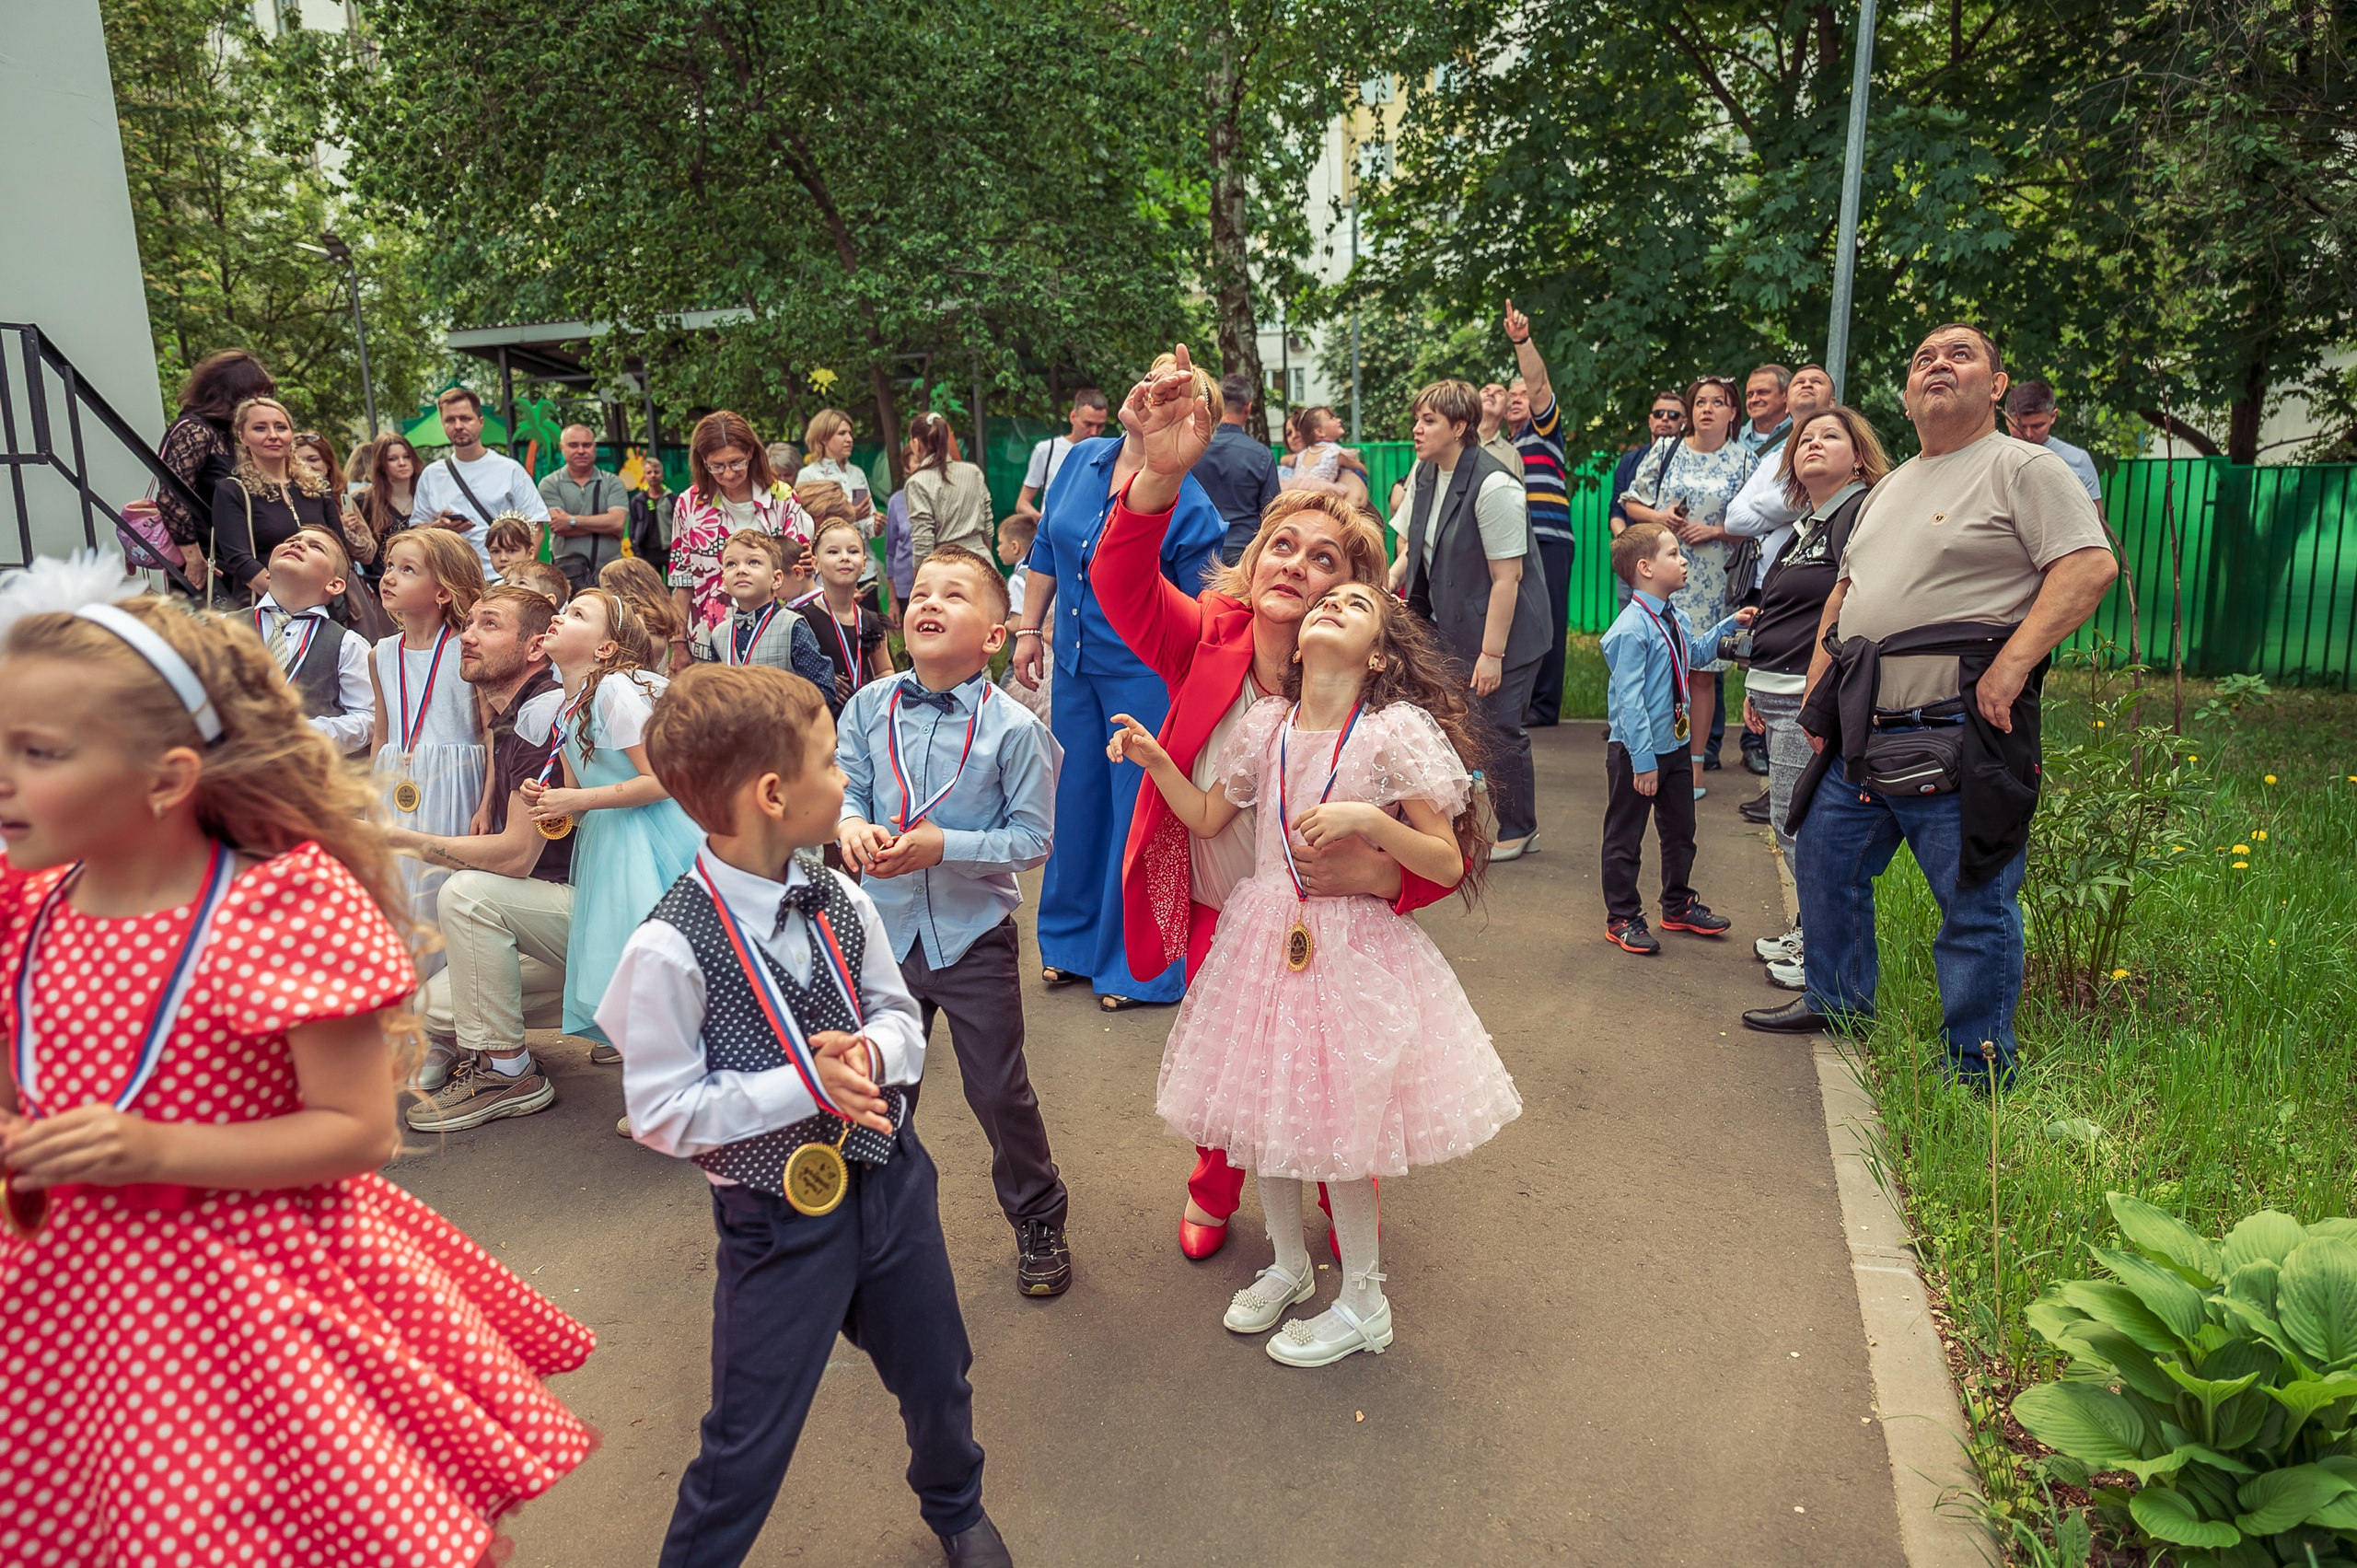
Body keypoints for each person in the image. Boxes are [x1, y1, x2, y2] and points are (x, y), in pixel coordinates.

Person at [0, 565, 593, 1563]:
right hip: (73, 1292)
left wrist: (153, 1146)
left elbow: (357, 1128)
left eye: (39, 751)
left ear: (166, 775)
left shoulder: (273, 905)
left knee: (245, 1525)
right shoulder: (29, 904)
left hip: (249, 1288)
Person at [599, 663, 1015, 1568]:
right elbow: (664, 1113)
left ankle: (955, 1503)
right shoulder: (669, 945)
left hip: (890, 1181)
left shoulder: (838, 893)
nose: (845, 783)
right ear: (774, 793)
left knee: (938, 1370)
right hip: (775, 1223)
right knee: (745, 1436)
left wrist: (870, 1056)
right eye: (832, 764)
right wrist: (805, 1087)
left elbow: (898, 1015)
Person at [1094, 351, 1465, 1261]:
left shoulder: (1376, 701)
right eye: (1283, 545)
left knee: (1335, 1068)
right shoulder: (1206, 640)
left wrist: (1381, 867)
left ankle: (1347, 1201)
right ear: (1255, 562)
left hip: (1336, 918)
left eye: (1325, 556)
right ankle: (1212, 1184)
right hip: (1229, 903)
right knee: (1229, 1058)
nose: (1296, 562)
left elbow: (1439, 842)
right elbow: (1121, 586)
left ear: (1358, 595)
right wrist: (1161, 473)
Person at [1109, 580, 1520, 1367]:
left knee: (1341, 1123)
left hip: (1350, 948)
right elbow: (1205, 816)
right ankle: (1288, 1264)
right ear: (1297, 645)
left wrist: (1370, 822)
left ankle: (1365, 1297)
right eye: (1323, 604)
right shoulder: (1266, 728)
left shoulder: (1390, 732)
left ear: (1376, 654)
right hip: (1264, 934)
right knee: (1269, 1105)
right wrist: (1159, 760)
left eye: (1356, 604)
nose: (1330, 605)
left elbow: (1445, 856)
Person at [1747, 325, 2119, 1086]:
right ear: (1908, 397)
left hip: (1961, 730)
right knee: (1823, 859)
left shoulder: (2023, 467)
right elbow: (1844, 597)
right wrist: (1820, 704)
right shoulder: (1890, 488)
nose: (1937, 365)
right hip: (1863, 726)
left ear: (1996, 384)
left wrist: (2013, 665)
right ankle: (1838, 1000)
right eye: (1922, 359)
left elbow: (2088, 566)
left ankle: (1978, 1066)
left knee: (1975, 901)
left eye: (1959, 355)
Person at [838, 547, 1074, 1297]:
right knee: (875, 1084)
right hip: (882, 937)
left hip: (972, 938)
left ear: (995, 636)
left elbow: (1034, 840)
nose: (927, 603)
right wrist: (849, 828)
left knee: (999, 1091)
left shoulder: (1014, 730)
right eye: (919, 593)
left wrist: (947, 846)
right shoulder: (867, 705)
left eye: (953, 595)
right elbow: (848, 792)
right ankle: (867, 1228)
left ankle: (1039, 1212)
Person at [1010, 353, 1226, 1011]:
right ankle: (1071, 947)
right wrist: (1027, 628)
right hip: (1074, 664)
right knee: (1075, 803)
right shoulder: (1081, 459)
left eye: (1171, 384)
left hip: (1143, 675)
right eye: (1150, 372)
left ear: (1189, 414)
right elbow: (1046, 543)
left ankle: (1139, 967)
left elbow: (1201, 606)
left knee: (1141, 813)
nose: (1149, 386)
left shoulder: (1190, 501)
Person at [391, 586, 575, 1121]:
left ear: (536, 647)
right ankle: (610, 1022)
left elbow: (516, 857)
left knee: (468, 893)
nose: (467, 636)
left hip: (607, 924)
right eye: (468, 624)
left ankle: (507, 1073)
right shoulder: (512, 715)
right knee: (432, 1007)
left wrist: (396, 839)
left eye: (489, 625)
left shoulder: (544, 715)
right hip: (567, 923)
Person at [1740, 405, 1893, 987]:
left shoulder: (1858, 513)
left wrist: (1813, 696)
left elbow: (1853, 608)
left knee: (1805, 827)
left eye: (1831, 436)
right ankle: (1809, 930)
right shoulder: (1811, 524)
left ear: (1858, 456)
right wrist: (1758, 678)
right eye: (1804, 438)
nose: (1813, 444)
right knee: (1788, 821)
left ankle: (1819, 946)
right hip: (1777, 694)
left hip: (1813, 701)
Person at [518, 589, 704, 1048]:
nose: (560, 616)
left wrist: (574, 802)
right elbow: (580, 799)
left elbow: (661, 781)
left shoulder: (614, 690)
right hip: (608, 845)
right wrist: (552, 803)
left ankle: (676, 1098)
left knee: (659, 970)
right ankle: (659, 1089)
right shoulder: (565, 708)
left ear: (604, 649)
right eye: (563, 610)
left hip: (652, 842)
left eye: (577, 614)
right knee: (631, 971)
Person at [1387, 378, 1553, 861]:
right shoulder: (1426, 471)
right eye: (1417, 419)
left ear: (1460, 427)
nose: (1417, 430)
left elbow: (1508, 578)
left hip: (1507, 634)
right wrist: (1389, 583)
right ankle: (1462, 826)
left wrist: (1491, 656)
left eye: (1429, 420)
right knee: (1461, 728)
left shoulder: (1495, 484)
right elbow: (1409, 547)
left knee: (1500, 730)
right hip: (1456, 625)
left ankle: (1520, 828)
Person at [1599, 523, 1758, 954]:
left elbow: (1696, 655)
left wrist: (1729, 623)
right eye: (1674, 553)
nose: (1684, 559)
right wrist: (1644, 761)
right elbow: (1628, 702)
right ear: (1646, 568)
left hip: (1673, 749)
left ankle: (1677, 903)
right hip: (1638, 751)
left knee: (1681, 831)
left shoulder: (1675, 618)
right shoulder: (1631, 629)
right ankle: (1622, 916)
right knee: (1625, 836)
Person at [1618, 375, 1753, 795]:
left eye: (1718, 402)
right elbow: (1630, 501)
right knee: (1656, 668)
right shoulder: (1666, 449)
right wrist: (1660, 518)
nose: (1707, 409)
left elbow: (1758, 525)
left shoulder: (1746, 460)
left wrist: (1713, 531)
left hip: (1713, 577)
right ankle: (1650, 752)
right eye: (1700, 402)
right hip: (1661, 574)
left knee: (1701, 672)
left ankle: (1693, 766)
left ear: (1733, 414)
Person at [368, 528, 487, 954]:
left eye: (407, 569)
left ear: (441, 591)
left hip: (454, 782)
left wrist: (487, 799)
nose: (390, 577)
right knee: (395, 889)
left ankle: (439, 999)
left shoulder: (467, 649)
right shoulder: (380, 652)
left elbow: (488, 729)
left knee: (439, 891)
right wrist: (370, 799)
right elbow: (382, 732)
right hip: (395, 779)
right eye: (388, 567)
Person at [1724, 364, 1838, 783]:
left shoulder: (1838, 446)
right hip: (1767, 585)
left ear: (1833, 400)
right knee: (1761, 677)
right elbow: (1735, 518)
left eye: (1818, 380)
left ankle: (1795, 786)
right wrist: (1788, 504)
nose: (1806, 384)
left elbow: (1815, 492)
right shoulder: (1775, 455)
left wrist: (1771, 508)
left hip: (1817, 592)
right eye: (1800, 381)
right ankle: (1772, 776)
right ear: (1788, 403)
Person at [667, 411, 813, 654]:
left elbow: (799, 571)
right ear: (702, 460)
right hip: (709, 641)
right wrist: (679, 644)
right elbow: (683, 581)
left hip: (776, 639)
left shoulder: (781, 497)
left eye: (736, 462)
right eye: (716, 466)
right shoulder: (688, 504)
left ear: (751, 453)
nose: (728, 474)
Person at [1503, 302, 1577, 727]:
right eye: (1509, 396)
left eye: (1522, 396)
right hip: (1511, 542)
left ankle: (1544, 708)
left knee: (1548, 621)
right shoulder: (1498, 445)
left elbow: (1538, 383)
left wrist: (1522, 342)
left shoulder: (1543, 430)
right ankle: (1519, 701)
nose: (1518, 400)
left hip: (1548, 537)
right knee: (1515, 623)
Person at [155, 348, 276, 590]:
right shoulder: (195, 430)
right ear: (233, 392)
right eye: (255, 393)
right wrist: (193, 558)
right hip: (204, 561)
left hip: (225, 558)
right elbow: (170, 497)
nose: (259, 401)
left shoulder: (223, 433)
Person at [249, 526, 372, 754]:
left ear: (334, 584)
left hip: (306, 779)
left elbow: (368, 717)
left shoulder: (347, 645)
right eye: (291, 540)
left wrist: (305, 734)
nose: (297, 544)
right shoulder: (222, 626)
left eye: (316, 547)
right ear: (268, 571)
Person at [410, 387, 550, 578]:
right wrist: (439, 526)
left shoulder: (510, 469)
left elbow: (536, 526)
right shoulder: (431, 475)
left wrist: (519, 577)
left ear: (480, 422)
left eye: (465, 418)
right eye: (450, 420)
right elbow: (418, 529)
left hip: (503, 580)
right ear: (443, 425)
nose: (458, 425)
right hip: (452, 580)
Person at [210, 395, 340, 601]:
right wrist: (293, 600)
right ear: (242, 437)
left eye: (280, 427)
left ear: (291, 434)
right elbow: (241, 561)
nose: (272, 435)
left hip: (324, 607)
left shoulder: (318, 486)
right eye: (260, 428)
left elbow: (338, 548)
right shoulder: (232, 490)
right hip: (266, 608)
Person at [691, 529, 836, 693]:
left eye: (753, 562)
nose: (741, 570)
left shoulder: (793, 627)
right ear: (724, 582)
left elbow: (822, 689)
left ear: (776, 579)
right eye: (731, 564)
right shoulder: (718, 635)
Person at [795, 516, 893, 707]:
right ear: (815, 564)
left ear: (864, 563)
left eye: (853, 551)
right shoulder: (802, 620)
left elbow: (884, 671)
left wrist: (877, 692)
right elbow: (793, 672)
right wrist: (822, 677)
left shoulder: (872, 621)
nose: (845, 557)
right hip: (822, 719)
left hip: (864, 717)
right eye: (833, 552)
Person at [1199, 373, 1283, 565]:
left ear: (1214, 406)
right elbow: (1272, 513)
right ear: (1248, 408)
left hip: (1196, 547)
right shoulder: (1261, 454)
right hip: (1242, 552)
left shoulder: (1193, 449)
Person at [540, 424, 631, 592]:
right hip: (567, 577)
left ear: (594, 447)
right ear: (562, 448)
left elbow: (617, 523)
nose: (581, 450)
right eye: (573, 445)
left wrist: (572, 520)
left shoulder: (613, 482)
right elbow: (558, 526)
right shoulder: (549, 484)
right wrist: (604, 526)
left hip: (611, 575)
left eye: (587, 445)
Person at [905, 412, 993, 562]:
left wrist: (919, 579)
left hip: (946, 565)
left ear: (916, 443)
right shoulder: (973, 471)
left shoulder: (917, 482)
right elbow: (988, 527)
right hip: (982, 561)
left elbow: (923, 544)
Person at [1015, 390, 1111, 527]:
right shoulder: (1046, 449)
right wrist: (1041, 520)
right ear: (1073, 417)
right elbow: (1023, 503)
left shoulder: (1108, 453)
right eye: (1088, 424)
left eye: (1100, 426)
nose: (1094, 432)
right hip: (1052, 536)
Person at [2005, 381, 2104, 502]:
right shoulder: (1992, 457)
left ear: (2053, 416)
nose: (2029, 434)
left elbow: (2096, 518)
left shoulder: (2078, 460)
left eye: (2038, 426)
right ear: (2007, 420)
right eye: (2019, 426)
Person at [1609, 392, 1688, 538]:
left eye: (1673, 415)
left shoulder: (1690, 458)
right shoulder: (1629, 460)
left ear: (1685, 422)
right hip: (1635, 545)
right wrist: (1626, 545)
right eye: (1659, 413)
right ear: (1650, 419)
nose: (1664, 418)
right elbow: (1617, 510)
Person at [601, 554, 687, 672]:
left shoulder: (637, 627)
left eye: (605, 588)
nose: (603, 595)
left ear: (621, 590)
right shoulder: (655, 623)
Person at [801, 408, 876, 527]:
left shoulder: (857, 473)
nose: (849, 439)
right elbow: (804, 523)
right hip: (826, 544)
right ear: (823, 439)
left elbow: (867, 519)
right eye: (842, 433)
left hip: (860, 544)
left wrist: (875, 526)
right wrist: (850, 516)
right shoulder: (808, 474)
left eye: (850, 433)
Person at [1477, 382, 1528, 481]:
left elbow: (1515, 495)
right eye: (1486, 391)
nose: (1490, 394)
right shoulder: (1456, 441)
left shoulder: (1512, 456)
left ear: (1507, 412)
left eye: (1499, 394)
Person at [1741, 364, 1793, 456]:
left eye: (1763, 392)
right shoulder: (1730, 440)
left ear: (1786, 395)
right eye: (1750, 395)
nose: (1754, 400)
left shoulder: (1800, 437)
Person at [486, 512, 544, 584]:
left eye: (511, 550)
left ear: (530, 553)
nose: (503, 558)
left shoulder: (541, 587)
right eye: (496, 551)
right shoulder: (493, 588)